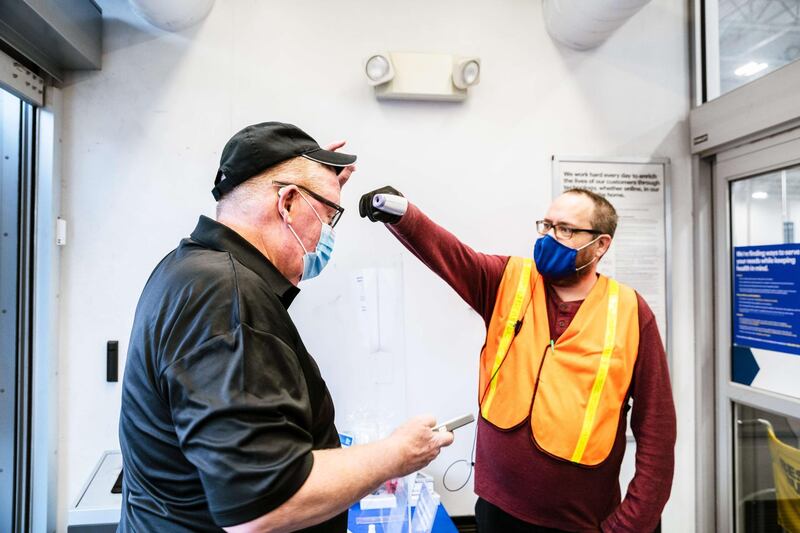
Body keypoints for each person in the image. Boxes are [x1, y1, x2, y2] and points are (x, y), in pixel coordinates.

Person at [118, 123, 454, 533]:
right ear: (289, 203)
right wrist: (397, 454)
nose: (327, 236)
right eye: (329, 216)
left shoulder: (190, 268)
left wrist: (319, 185)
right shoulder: (227, 297)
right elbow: (260, 506)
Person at [359, 186, 676, 532]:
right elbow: (451, 255)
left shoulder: (631, 312)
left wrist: (630, 524)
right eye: (546, 225)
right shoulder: (507, 280)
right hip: (497, 514)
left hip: (581, 523)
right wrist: (403, 213)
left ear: (600, 245)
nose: (549, 238)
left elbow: (657, 431)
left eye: (566, 230)